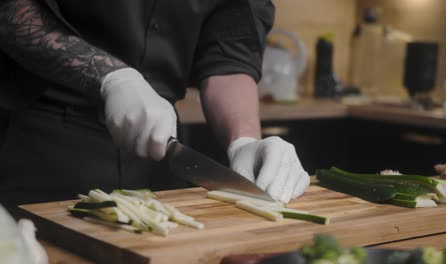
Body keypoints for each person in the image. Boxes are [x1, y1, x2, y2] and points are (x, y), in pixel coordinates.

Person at [0, 0, 310, 213]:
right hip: (35, 143)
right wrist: (111, 77)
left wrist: (244, 141)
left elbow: (230, 54)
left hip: (159, 157)